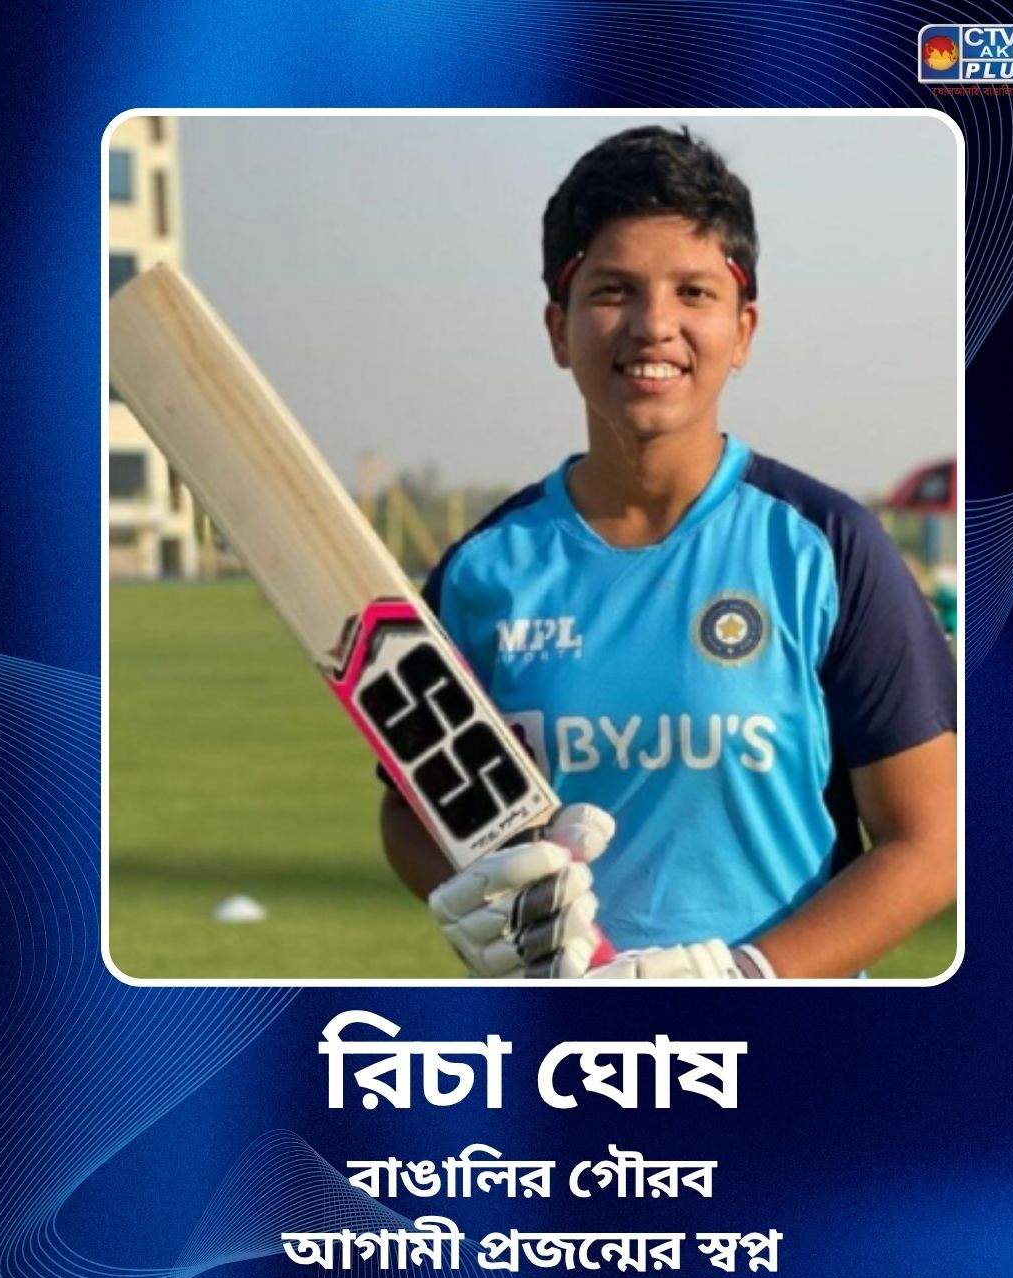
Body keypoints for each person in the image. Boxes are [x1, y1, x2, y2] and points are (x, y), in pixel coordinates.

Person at [380, 125, 957, 979]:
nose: (655, 326)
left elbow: (932, 844)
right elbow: (411, 812)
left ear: (743, 329)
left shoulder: (826, 549)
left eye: (694, 292)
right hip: (567, 1029)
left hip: (791, 1031)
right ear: (558, 328)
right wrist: (492, 902)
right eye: (614, 290)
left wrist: (748, 975)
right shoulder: (482, 573)